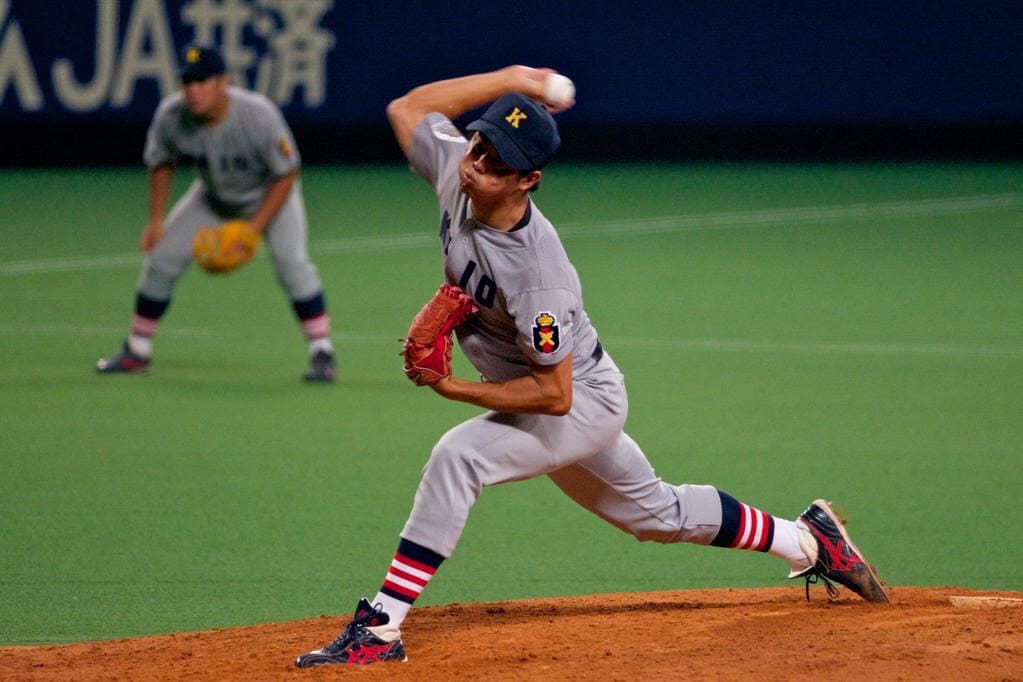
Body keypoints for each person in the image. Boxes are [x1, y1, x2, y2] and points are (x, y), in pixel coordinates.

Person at [294, 66, 889, 668]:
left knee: (460, 457)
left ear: (528, 180)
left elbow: (556, 395)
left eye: (497, 160)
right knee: (658, 514)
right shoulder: (460, 172)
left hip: (580, 400)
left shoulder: (536, 274)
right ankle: (809, 541)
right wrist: (514, 78)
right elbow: (407, 108)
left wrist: (454, 388)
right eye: (478, 142)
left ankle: (381, 629)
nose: (475, 161)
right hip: (548, 395)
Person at [96, 44, 336, 382]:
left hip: (269, 195)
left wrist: (253, 229)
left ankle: (322, 352)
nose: (193, 90)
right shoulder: (171, 116)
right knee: (162, 258)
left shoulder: (257, 114)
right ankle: (137, 350)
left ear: (223, 82)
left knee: (291, 263)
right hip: (212, 197)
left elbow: (287, 173)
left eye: (202, 81)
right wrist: (155, 219)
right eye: (188, 81)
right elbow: (161, 162)